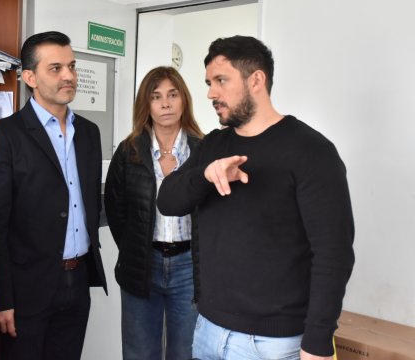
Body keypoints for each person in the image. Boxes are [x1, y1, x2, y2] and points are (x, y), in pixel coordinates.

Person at [157, 36, 355, 360]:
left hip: (272, 345)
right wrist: (206, 174)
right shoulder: (213, 146)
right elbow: (168, 201)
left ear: (256, 80)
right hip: (207, 328)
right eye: (209, 82)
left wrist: (317, 343)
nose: (210, 93)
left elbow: (333, 255)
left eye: (221, 80)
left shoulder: (312, 152)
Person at [0, 31, 107, 360]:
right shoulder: (5, 136)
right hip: (26, 288)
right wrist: (1, 298)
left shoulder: (89, 133)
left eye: (72, 66)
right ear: (30, 77)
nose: (69, 76)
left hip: (77, 281)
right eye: (56, 68)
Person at [104, 66, 203, 360]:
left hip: (189, 267)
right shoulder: (128, 151)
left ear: (183, 99)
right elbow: (115, 209)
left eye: (173, 95)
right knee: (139, 352)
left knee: (186, 353)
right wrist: (137, 247)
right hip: (142, 263)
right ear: (146, 105)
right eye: (156, 97)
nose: (166, 104)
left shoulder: (205, 149)